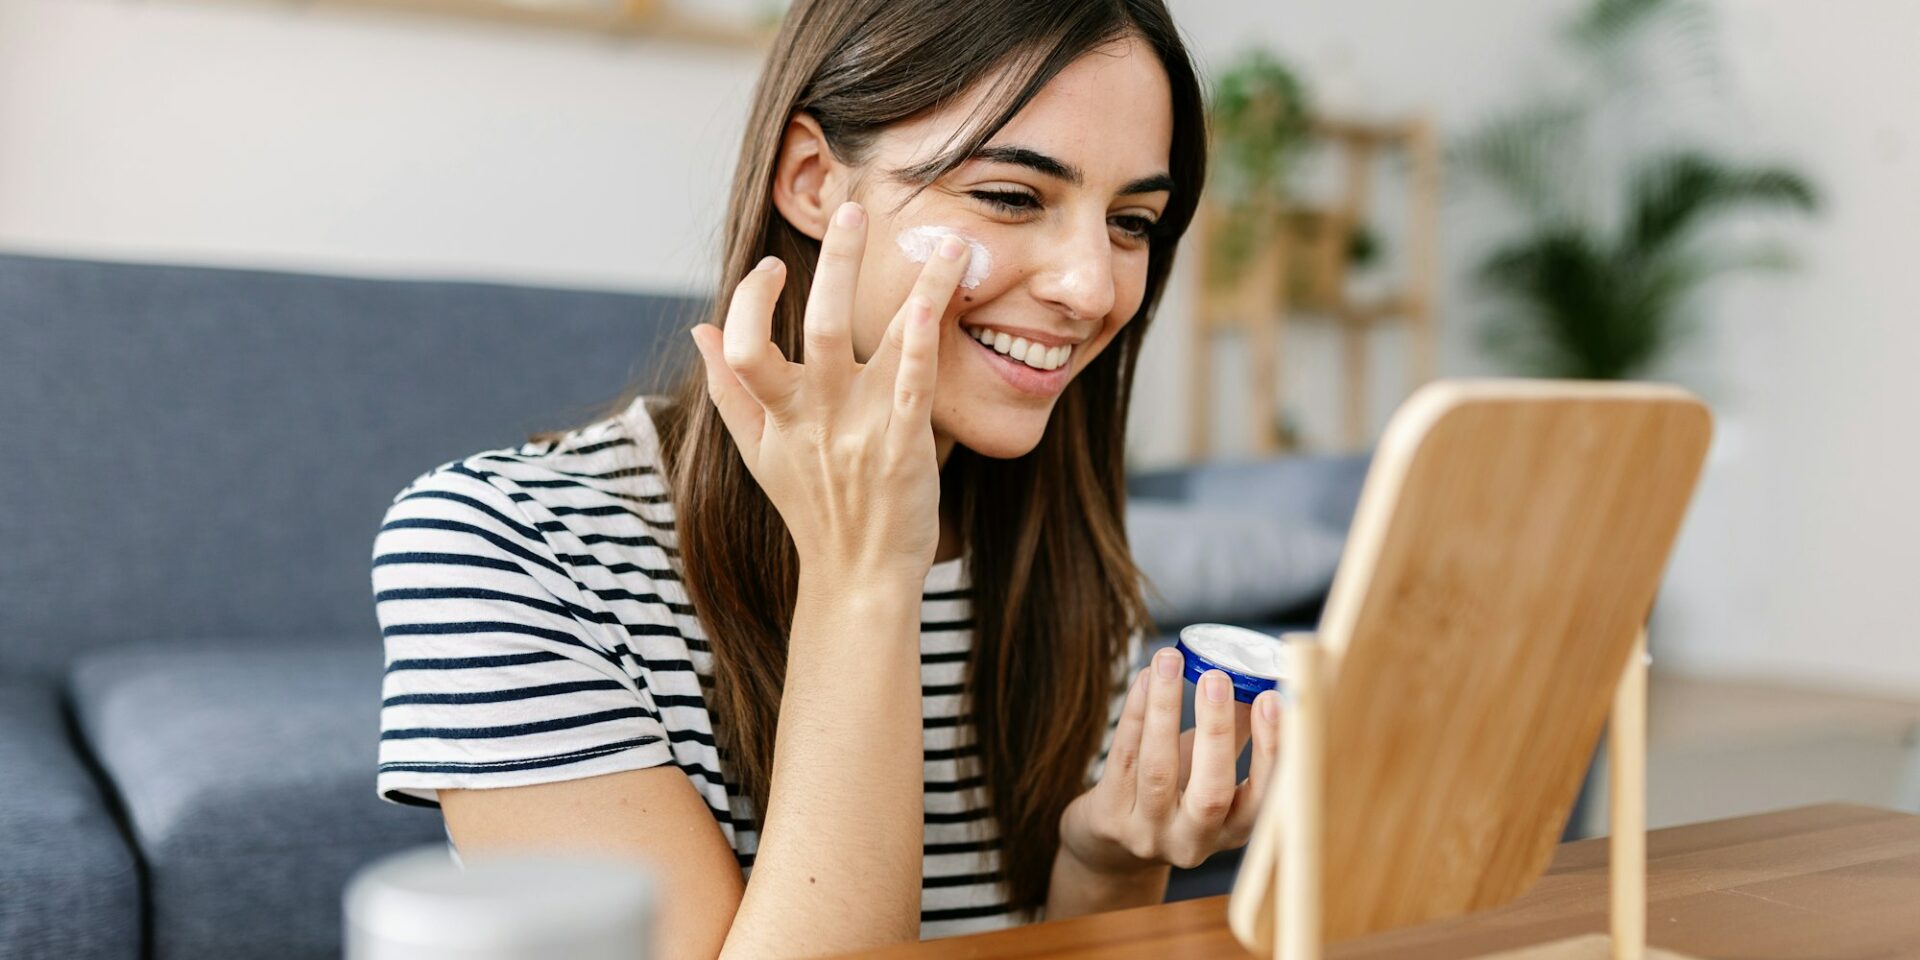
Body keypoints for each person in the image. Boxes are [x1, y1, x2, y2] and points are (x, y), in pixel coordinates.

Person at [370, 1, 1283, 956]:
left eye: (1133, 222)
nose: (1093, 288)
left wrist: (1107, 864)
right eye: (1011, 198)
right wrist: (863, 576)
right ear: (813, 181)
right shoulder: (504, 545)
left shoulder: (1058, 556)